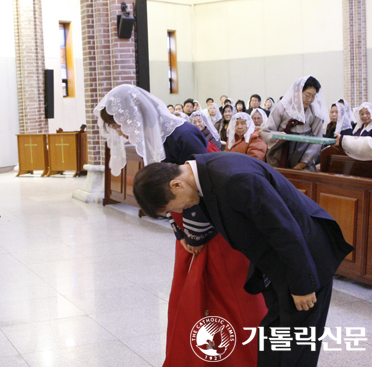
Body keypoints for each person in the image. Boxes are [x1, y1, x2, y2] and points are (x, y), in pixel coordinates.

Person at [95, 84, 265, 366]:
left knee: (225, 297)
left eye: (121, 125)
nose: (123, 133)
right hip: (188, 228)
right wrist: (180, 232)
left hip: (214, 229)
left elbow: (204, 185)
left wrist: (194, 235)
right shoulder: (157, 138)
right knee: (189, 298)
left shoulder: (182, 134)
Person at [133, 153, 354, 367]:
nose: (182, 210)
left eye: (175, 207)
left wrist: (303, 285)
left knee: (296, 344)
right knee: (273, 336)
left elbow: (284, 229)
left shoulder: (233, 178)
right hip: (278, 263)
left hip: (306, 260)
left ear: (176, 185)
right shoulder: (205, 173)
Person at [261, 76, 327, 171]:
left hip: (303, 161)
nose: (309, 100)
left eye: (313, 96)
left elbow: (317, 139)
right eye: (307, 95)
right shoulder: (281, 107)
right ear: (298, 92)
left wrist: (302, 164)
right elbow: (267, 131)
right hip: (279, 157)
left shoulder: (314, 112)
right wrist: (278, 137)